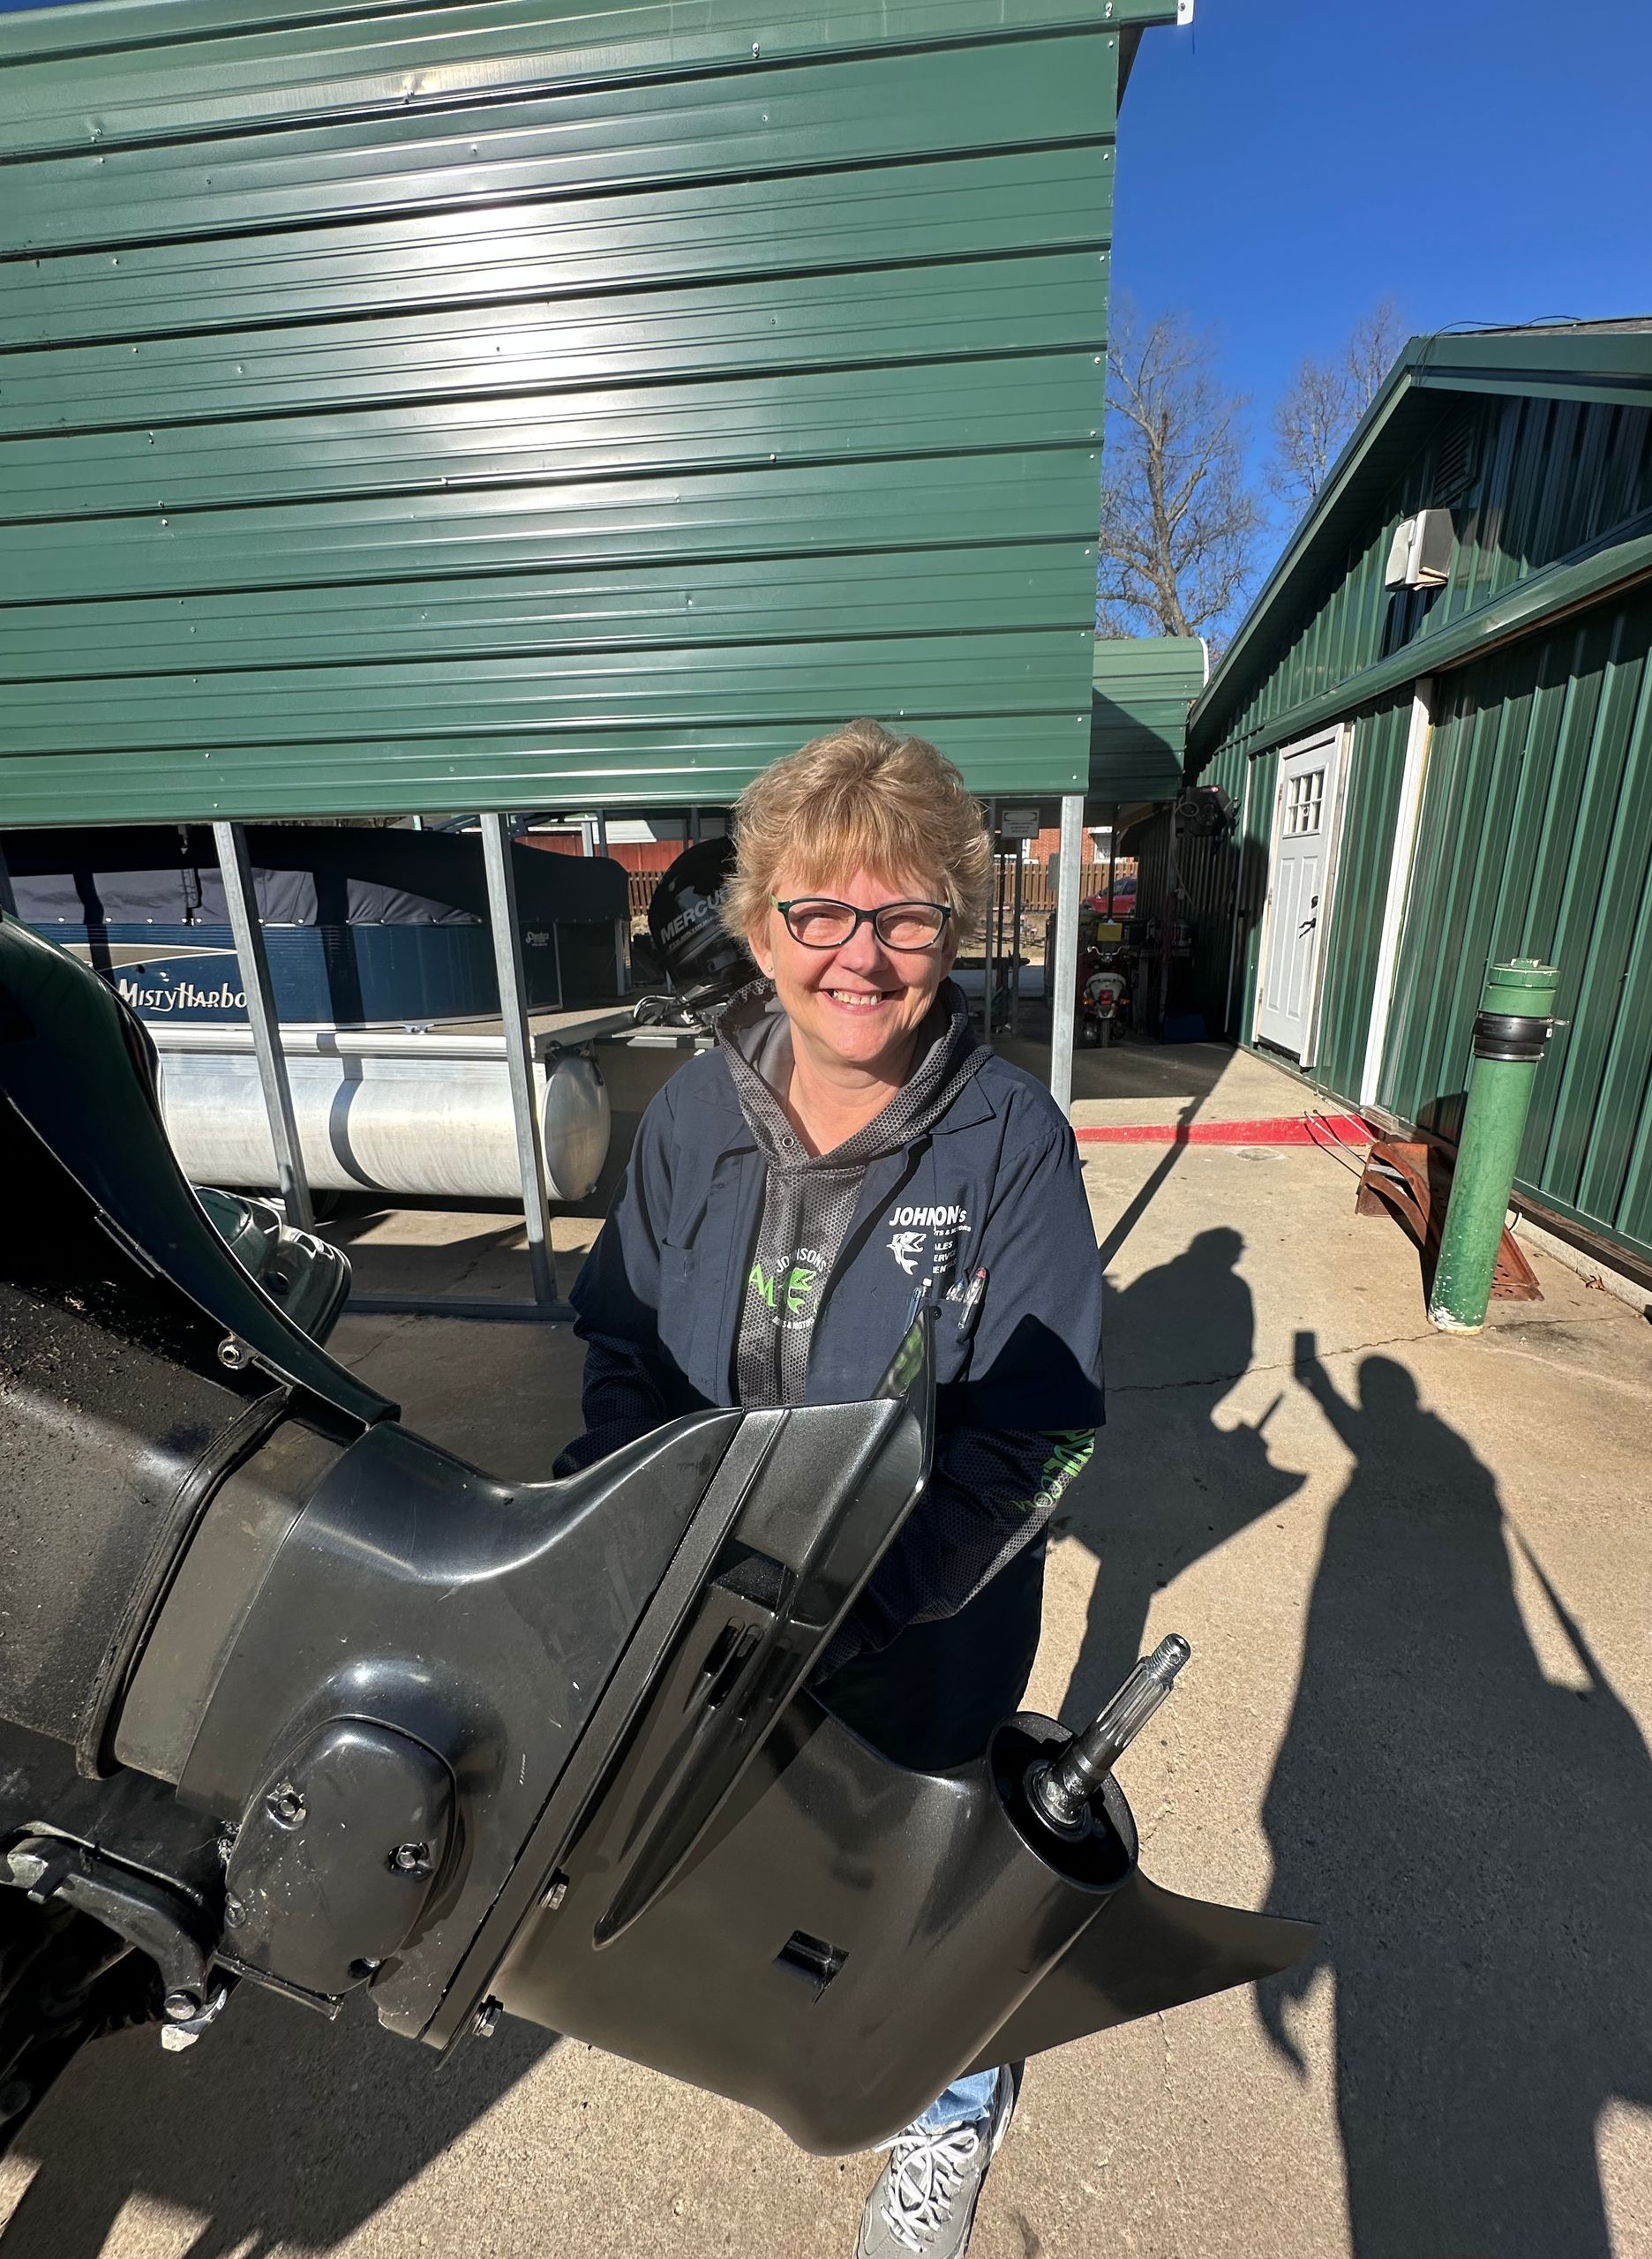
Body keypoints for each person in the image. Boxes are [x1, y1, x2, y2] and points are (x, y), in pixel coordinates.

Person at [557, 720, 1105, 2258]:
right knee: (761, 1836)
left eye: (904, 916)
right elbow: (617, 1335)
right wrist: (621, 1512)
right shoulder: (687, 1120)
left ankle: (951, 2095)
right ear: (758, 926)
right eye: (819, 913)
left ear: (953, 929)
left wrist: (876, 1609)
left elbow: (1040, 1429)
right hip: (718, 1589)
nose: (859, 956)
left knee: (923, 1875)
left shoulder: (1011, 1144)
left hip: (914, 1627)